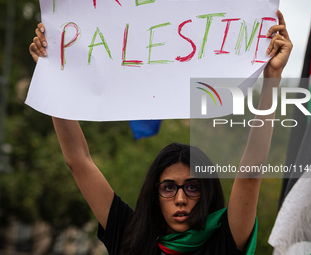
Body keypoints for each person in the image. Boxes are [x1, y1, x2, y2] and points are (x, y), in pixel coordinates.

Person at [29, 10, 292, 255]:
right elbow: (78, 161)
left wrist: (272, 78)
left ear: (207, 192)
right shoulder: (130, 236)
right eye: (168, 187)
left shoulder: (224, 239)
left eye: (192, 187)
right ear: (154, 194)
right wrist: (53, 76)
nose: (180, 199)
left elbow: (250, 175)